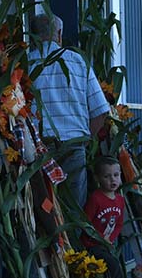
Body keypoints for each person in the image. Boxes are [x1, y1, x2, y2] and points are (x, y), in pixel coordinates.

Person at [29, 14, 110, 206]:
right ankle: (71, 237)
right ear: (59, 34)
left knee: (43, 211)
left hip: (37, 150)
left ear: (32, 35)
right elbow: (101, 111)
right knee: (73, 210)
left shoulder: (24, 63)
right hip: (74, 146)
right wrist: (85, 140)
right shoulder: (78, 62)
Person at [83, 155, 129, 278]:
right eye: (107, 176)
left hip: (108, 243)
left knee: (117, 267)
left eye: (116, 175)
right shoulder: (95, 199)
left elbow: (119, 224)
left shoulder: (120, 200)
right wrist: (100, 239)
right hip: (92, 244)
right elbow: (86, 224)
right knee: (112, 266)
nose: (112, 180)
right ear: (98, 178)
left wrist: (111, 239)